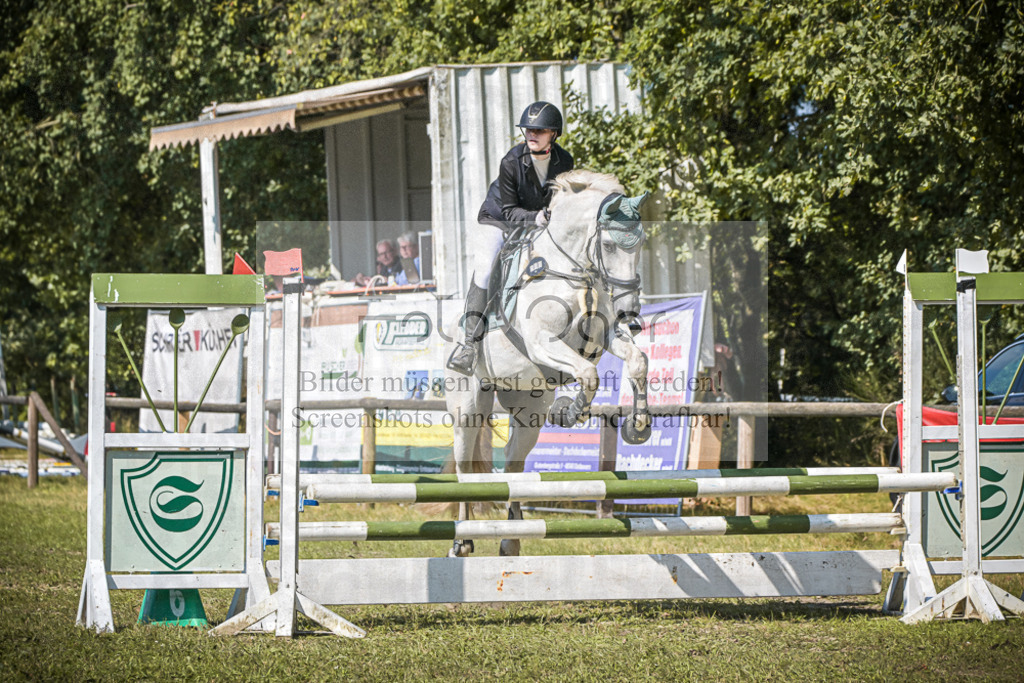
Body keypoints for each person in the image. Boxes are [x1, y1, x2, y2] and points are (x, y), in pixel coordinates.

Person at [447, 101, 574, 375]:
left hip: (539, 220)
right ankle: (468, 345)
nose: (532, 134)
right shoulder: (511, 162)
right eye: (528, 129)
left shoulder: (565, 161)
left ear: (553, 133)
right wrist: (535, 218)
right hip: (499, 219)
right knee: (485, 268)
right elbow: (508, 210)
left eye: (539, 130)